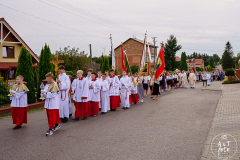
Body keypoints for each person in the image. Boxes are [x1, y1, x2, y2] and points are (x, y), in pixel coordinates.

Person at [42, 72, 61, 136]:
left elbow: (53, 95)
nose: (46, 79)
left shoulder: (54, 85)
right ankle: (56, 125)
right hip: (48, 103)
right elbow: (44, 93)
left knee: (51, 117)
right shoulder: (47, 85)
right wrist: (43, 94)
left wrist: (46, 93)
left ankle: (51, 129)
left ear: (50, 78)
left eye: (47, 78)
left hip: (53, 103)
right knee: (51, 116)